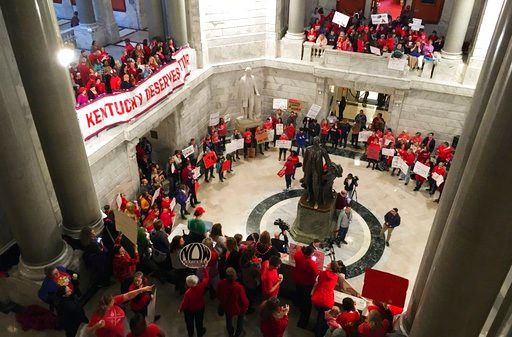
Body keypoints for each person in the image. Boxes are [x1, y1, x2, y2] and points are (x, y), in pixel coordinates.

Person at [311, 261, 358, 337]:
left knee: (321, 317)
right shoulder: (336, 277)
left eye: (328, 264)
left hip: (318, 298)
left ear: (331, 268)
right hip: (328, 301)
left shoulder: (323, 273)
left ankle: (317, 332)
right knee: (324, 319)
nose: (327, 264)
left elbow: (319, 281)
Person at [87, 285, 154, 337]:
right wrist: (96, 326)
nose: (114, 300)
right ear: (107, 305)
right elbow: (88, 331)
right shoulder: (97, 316)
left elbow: (127, 295)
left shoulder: (113, 301)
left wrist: (141, 289)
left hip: (120, 332)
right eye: (112, 301)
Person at [217, 267, 249, 337]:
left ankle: (230, 333)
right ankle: (238, 333)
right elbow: (244, 299)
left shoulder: (221, 283)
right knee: (240, 320)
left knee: (228, 320)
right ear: (235, 276)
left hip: (226, 306)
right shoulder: (239, 287)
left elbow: (219, 295)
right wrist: (246, 305)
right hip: (238, 308)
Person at [293, 245, 319, 329]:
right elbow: (316, 273)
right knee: (307, 302)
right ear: (310, 254)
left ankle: (298, 306)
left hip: (297, 279)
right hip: (307, 283)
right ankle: (303, 322)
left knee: (299, 294)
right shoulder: (311, 263)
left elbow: (298, 252)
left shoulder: (298, 255)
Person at [179, 269, 209, 337]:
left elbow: (185, 303)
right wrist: (205, 270)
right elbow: (206, 278)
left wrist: (181, 309)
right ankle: (200, 333)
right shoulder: (201, 286)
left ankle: (190, 333)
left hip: (189, 310)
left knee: (189, 323)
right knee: (199, 322)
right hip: (200, 308)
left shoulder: (187, 293)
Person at [240, 244, 261, 313]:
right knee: (250, 297)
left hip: (245, 280)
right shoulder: (252, 268)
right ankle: (249, 309)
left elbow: (249, 264)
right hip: (251, 284)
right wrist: (259, 265)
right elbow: (257, 274)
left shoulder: (242, 260)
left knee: (246, 294)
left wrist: (254, 264)